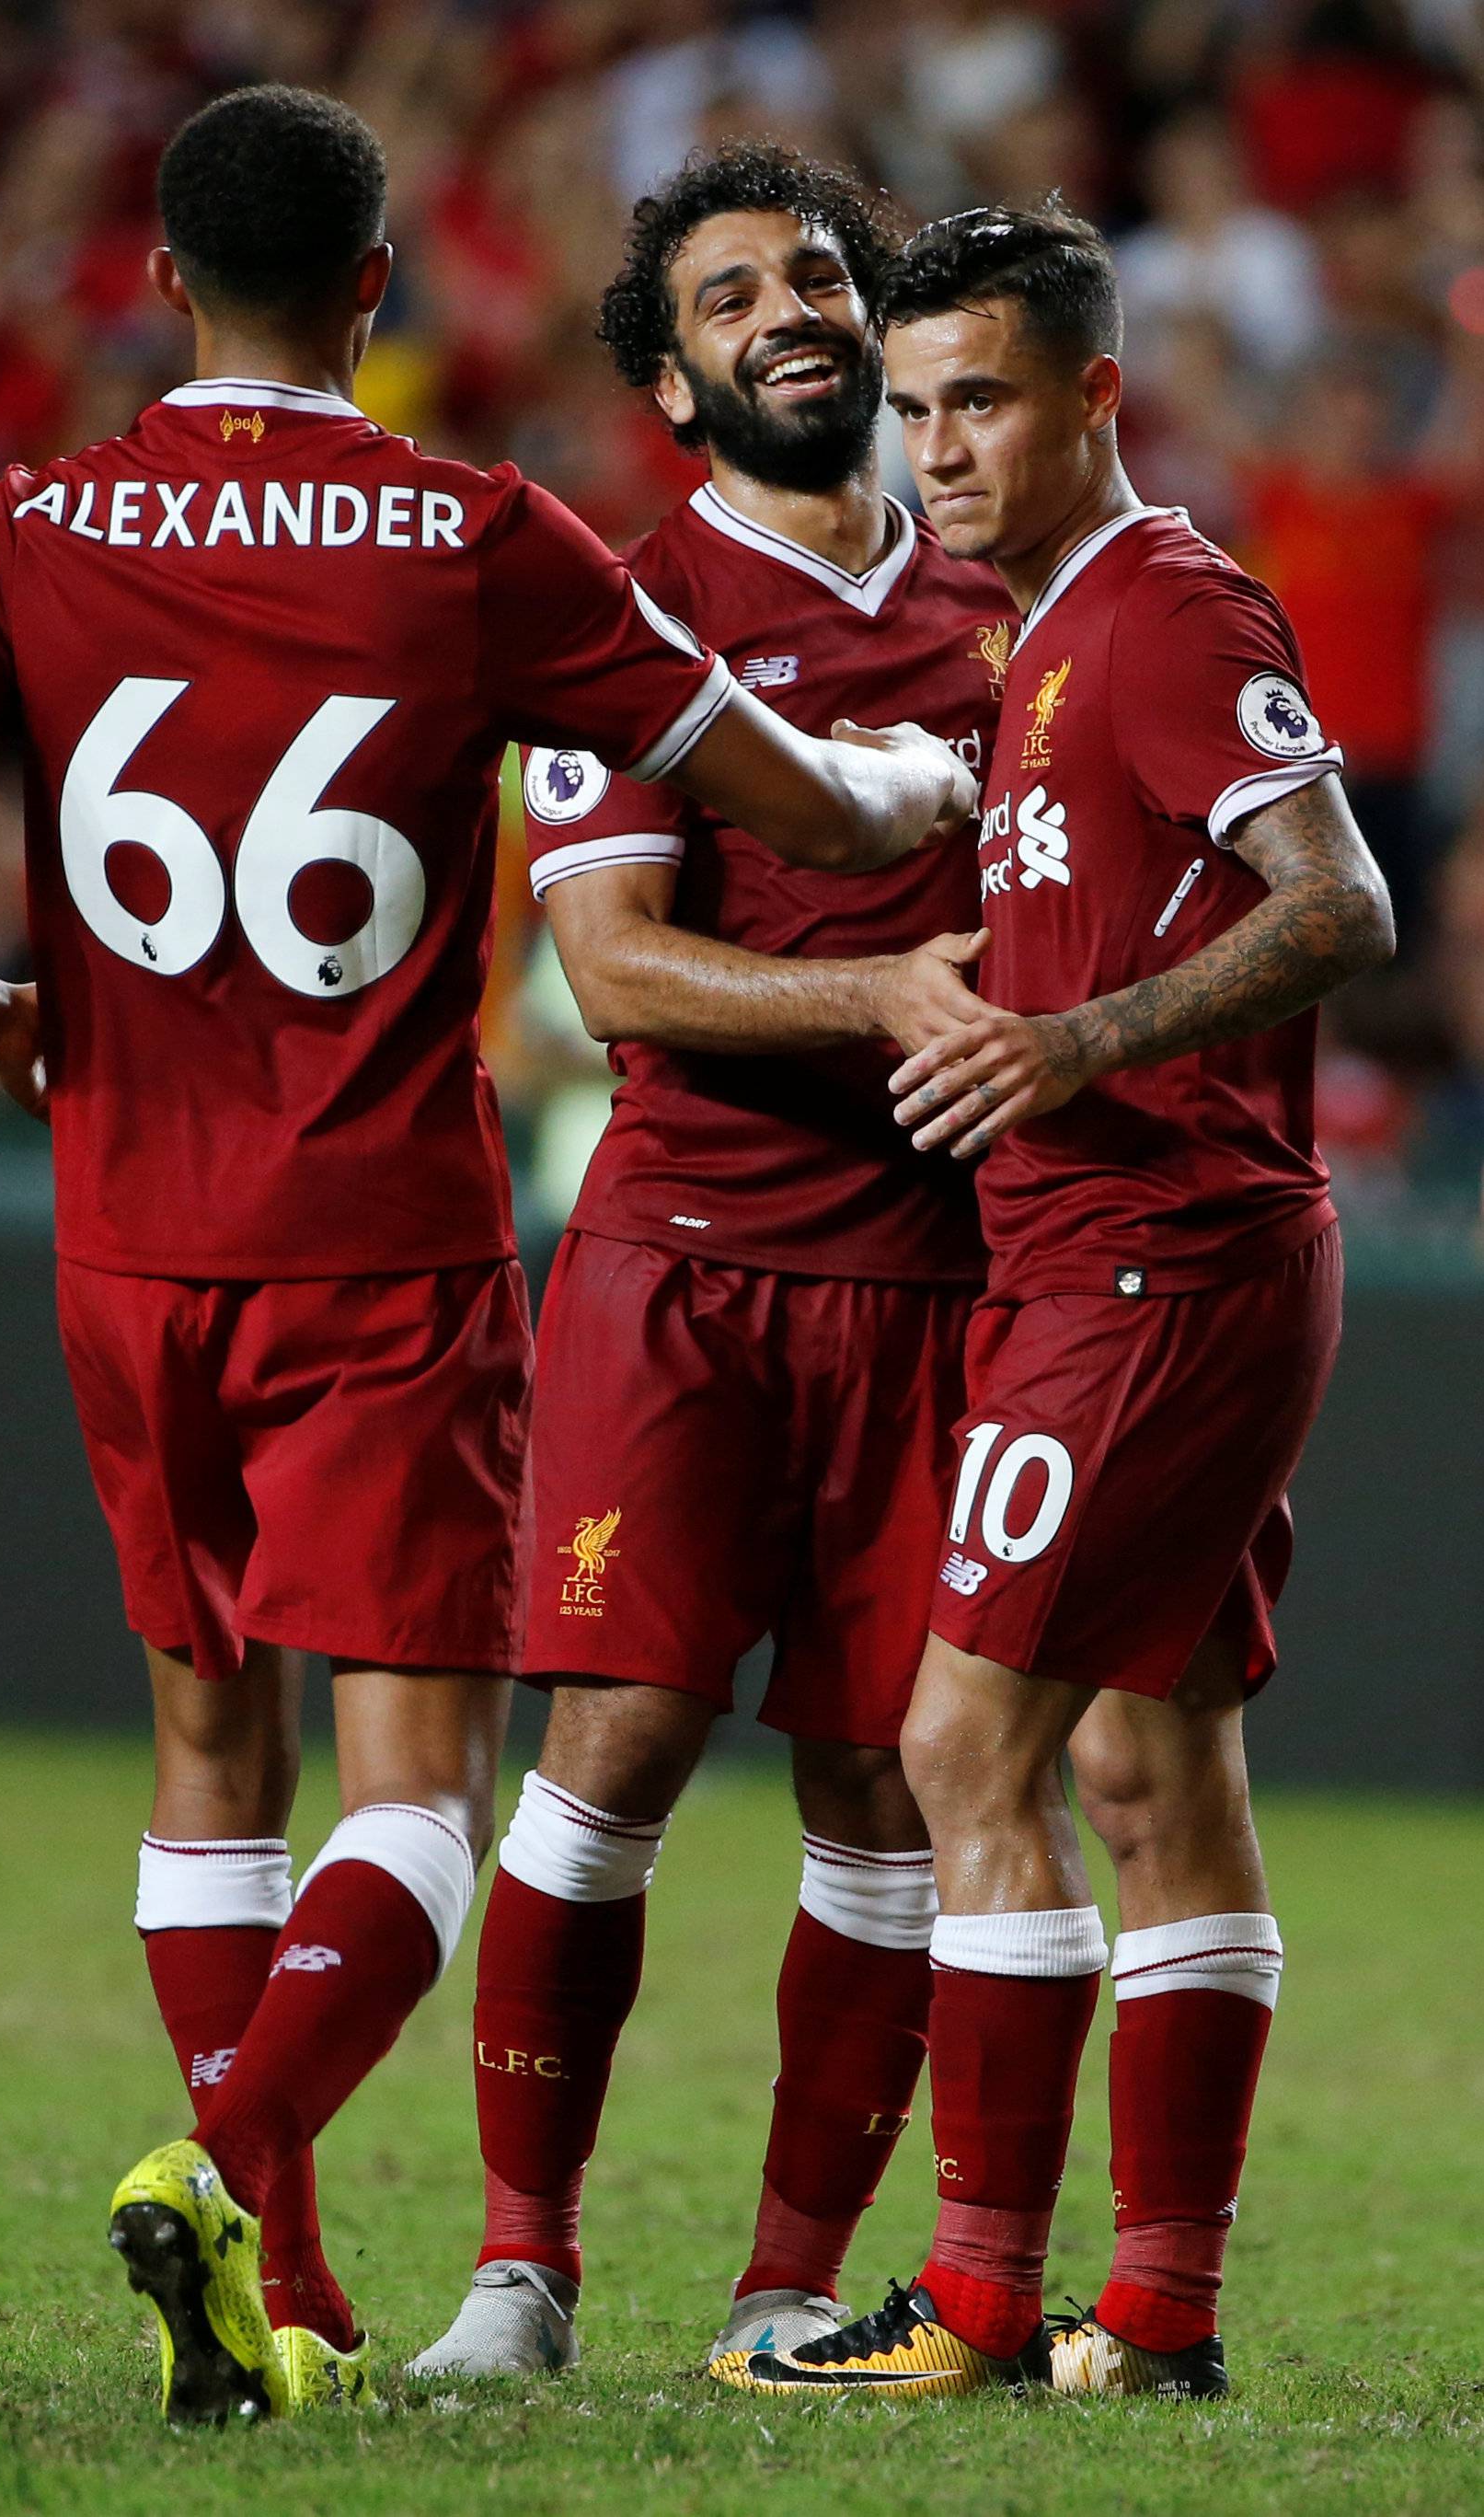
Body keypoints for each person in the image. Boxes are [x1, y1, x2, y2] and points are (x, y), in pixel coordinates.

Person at [0, 85, 976, 2429]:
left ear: (155, 285)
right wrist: (920, 797)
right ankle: (224, 2170)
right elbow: (804, 810)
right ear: (376, 290)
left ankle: (296, 2299)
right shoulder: (471, 532)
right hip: (378, 1242)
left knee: (206, 1760)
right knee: (414, 1793)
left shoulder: (25, 522)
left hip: (124, 1235)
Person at [739, 201, 1393, 2402]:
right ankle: (1164, 2314)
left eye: (983, 402)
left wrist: (1084, 1041)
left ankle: (979, 2299)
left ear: (1093, 397)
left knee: (958, 1744)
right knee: (1149, 1765)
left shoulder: (1161, 614)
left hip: (1150, 1259)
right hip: (1150, 1257)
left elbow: (1342, 904)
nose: (938, 449)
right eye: (913, 408)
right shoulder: (1045, 639)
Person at [409, 141, 1014, 2384]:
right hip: (688, 1263)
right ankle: (519, 2270)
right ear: (676, 383)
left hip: (953, 1283)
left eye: (821, 276)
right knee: (624, 1737)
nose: (793, 311)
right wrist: (887, 995)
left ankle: (783, 2287)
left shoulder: (1014, 596)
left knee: (883, 1784)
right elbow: (621, 979)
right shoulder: (624, 609)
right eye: (735, 292)